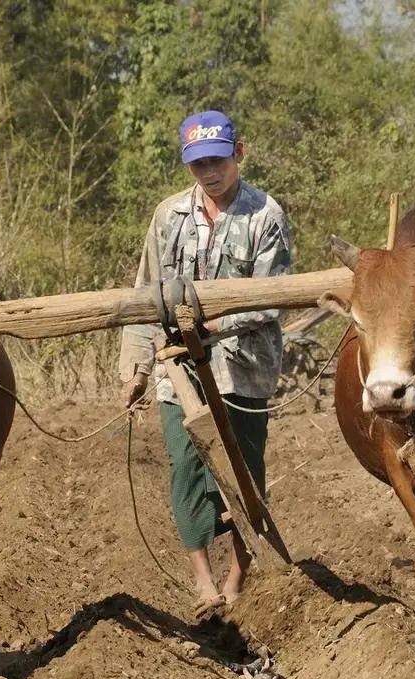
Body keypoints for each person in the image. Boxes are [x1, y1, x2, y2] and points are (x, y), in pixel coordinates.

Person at [118, 110, 292, 618]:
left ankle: (239, 576)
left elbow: (271, 298)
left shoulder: (266, 216)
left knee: (244, 471)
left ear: (239, 154)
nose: (209, 173)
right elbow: (144, 294)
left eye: (217, 161)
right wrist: (137, 368)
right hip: (180, 371)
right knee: (186, 467)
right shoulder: (167, 216)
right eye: (198, 165)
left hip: (243, 368)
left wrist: (214, 325)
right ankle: (204, 581)